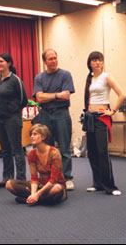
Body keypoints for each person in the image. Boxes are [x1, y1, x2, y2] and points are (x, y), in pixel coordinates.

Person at [82, 51, 126, 196]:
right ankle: (98, 183)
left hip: (101, 118)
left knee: (102, 152)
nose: (98, 63)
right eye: (95, 60)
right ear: (90, 63)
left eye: (100, 60)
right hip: (90, 118)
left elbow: (122, 95)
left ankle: (110, 186)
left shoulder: (106, 77)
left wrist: (112, 111)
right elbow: (88, 98)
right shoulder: (89, 78)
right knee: (92, 152)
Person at [33, 49, 76, 191]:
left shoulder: (65, 75)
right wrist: (57, 95)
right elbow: (39, 98)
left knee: (64, 148)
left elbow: (66, 95)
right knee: (47, 148)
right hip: (45, 114)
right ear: (44, 61)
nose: (54, 61)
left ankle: (67, 178)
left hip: (61, 114)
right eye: (50, 59)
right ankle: (50, 178)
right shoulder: (39, 78)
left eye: (55, 58)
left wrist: (48, 95)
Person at [6, 124, 67, 205]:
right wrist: (33, 194)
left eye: (35, 134)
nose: (32, 136)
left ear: (43, 137)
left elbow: (54, 179)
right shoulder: (31, 154)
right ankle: (40, 200)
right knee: (9, 184)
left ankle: (32, 199)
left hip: (54, 185)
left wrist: (37, 194)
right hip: (40, 185)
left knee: (56, 189)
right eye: (31, 134)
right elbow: (34, 178)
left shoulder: (54, 153)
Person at [0, 53, 28, 188]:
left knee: (16, 150)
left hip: (12, 119)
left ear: (9, 63)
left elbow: (23, 100)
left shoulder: (15, 80)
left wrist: (12, 109)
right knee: (5, 150)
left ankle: (21, 179)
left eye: (1, 61)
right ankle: (7, 177)